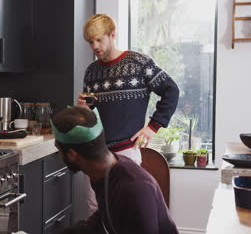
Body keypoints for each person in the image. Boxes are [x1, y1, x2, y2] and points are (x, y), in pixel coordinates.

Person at [78, 14, 180, 215]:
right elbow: (91, 115)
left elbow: (171, 91)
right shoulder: (91, 71)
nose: (95, 46)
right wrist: (83, 109)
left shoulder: (138, 63)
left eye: (99, 39)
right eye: (91, 42)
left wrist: (153, 127)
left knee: (126, 210)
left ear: (112, 34)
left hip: (126, 152)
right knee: (95, 209)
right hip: (96, 151)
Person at [51, 106, 178, 234]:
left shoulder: (133, 189)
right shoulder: (104, 173)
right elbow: (103, 220)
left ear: (72, 154)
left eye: (59, 150)